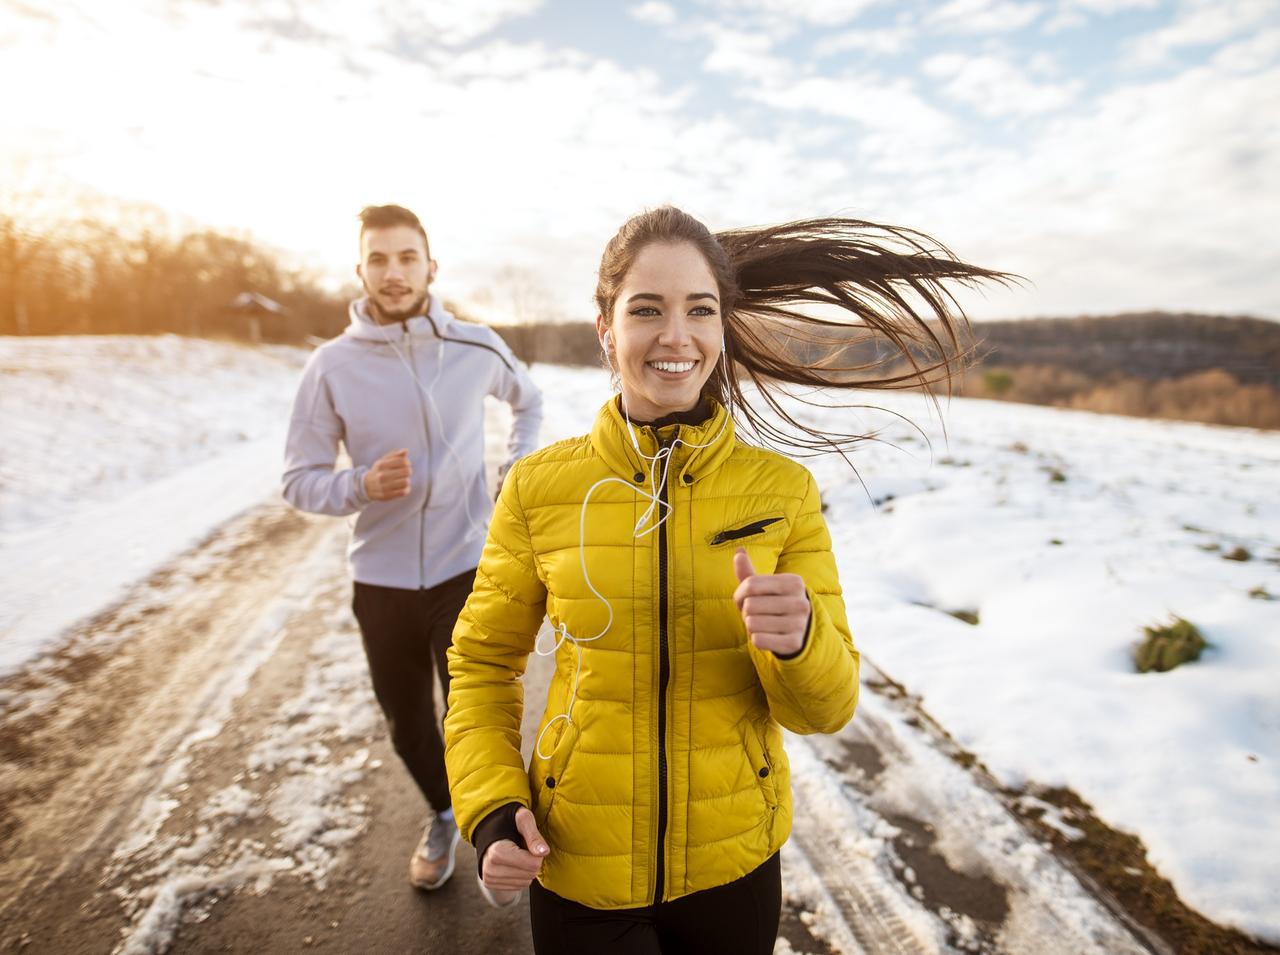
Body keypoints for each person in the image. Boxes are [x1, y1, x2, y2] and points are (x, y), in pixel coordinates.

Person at [443, 206, 1009, 951]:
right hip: (579, 861)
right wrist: (489, 807)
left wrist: (800, 639)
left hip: (734, 866)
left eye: (699, 310)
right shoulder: (540, 488)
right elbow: (482, 663)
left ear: (722, 327)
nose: (675, 335)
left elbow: (828, 708)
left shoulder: (781, 492)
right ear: (605, 329)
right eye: (646, 309)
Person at [282, 204, 543, 890]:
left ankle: (493, 835)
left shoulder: (475, 346)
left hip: (466, 566)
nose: (393, 273)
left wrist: (516, 465)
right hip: (383, 578)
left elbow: (530, 400)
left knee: (474, 710)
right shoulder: (331, 366)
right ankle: (442, 808)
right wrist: (360, 484)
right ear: (360, 270)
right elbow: (298, 480)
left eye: (406, 257)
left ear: (431, 265)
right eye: (378, 259)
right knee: (406, 724)